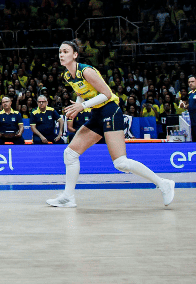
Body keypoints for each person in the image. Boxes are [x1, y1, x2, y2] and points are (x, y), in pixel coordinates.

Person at [46, 41, 174, 208]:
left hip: (111, 111)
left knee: (121, 163)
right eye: (60, 51)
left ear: (75, 55)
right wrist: (78, 106)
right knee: (70, 154)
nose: (61, 54)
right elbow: (81, 93)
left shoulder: (87, 71)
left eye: (65, 51)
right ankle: (68, 197)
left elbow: (107, 94)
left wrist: (82, 106)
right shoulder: (68, 76)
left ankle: (163, 183)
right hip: (97, 114)